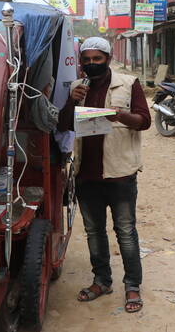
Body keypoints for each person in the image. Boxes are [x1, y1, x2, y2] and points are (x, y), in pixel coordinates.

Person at [57, 37, 150, 314]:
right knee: (94, 232)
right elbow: (62, 125)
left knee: (125, 232)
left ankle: (132, 285)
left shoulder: (128, 84)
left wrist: (120, 115)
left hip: (120, 174)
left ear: (108, 59)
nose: (91, 64)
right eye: (86, 60)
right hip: (87, 176)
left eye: (97, 59)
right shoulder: (77, 87)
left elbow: (144, 121)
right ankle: (102, 281)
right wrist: (70, 104)